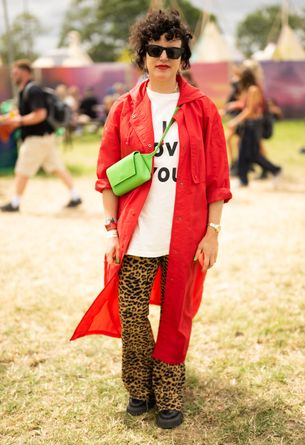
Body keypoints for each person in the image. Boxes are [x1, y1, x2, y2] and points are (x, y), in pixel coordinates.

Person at [70, 9, 232, 429]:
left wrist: (212, 233)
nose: (163, 56)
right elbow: (107, 176)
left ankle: (170, 388)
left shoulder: (203, 110)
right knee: (132, 314)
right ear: (142, 55)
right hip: (135, 234)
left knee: (177, 316)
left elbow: (217, 180)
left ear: (183, 57)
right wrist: (109, 231)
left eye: (172, 50)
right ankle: (139, 384)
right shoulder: (124, 109)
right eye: (155, 49)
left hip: (185, 236)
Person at [0, 60, 82, 212]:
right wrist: (7, 118)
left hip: (36, 138)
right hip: (45, 138)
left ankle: (15, 203)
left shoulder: (33, 90)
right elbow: (23, 113)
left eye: (15, 72)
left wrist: (19, 121)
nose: (13, 75)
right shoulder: (25, 90)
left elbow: (40, 114)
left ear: (25, 72)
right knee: (57, 168)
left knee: (22, 169)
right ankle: (75, 196)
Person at [228, 68, 282, 186]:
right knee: (243, 152)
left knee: (253, 154)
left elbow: (250, 110)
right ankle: (243, 179)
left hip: (253, 125)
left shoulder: (253, 90)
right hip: (248, 125)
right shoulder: (247, 90)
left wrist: (235, 121)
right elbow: (243, 104)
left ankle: (275, 169)